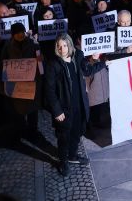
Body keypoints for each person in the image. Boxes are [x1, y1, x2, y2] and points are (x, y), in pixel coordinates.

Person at [45, 33, 108, 177]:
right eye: (59, 46)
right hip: (64, 108)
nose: (62, 49)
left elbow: (87, 71)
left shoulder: (78, 55)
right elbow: (49, 90)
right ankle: (63, 161)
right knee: (64, 137)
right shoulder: (53, 63)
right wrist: (56, 111)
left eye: (65, 45)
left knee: (77, 133)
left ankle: (72, 156)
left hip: (79, 105)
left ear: (70, 44)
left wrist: (101, 62)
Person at [0, 22, 42, 143]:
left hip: (31, 82)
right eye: (17, 33)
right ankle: (19, 131)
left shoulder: (33, 44)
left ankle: (33, 131)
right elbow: (2, 63)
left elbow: (40, 62)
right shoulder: (7, 46)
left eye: (22, 32)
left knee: (32, 111)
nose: (20, 35)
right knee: (17, 110)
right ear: (13, 34)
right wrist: (3, 81)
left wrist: (40, 65)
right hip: (16, 83)